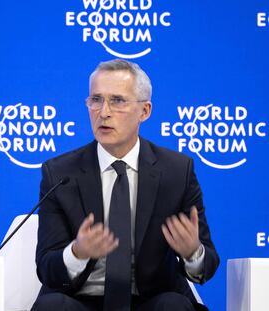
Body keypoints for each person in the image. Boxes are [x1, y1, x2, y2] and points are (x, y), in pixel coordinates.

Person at [32, 59, 219, 311]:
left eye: (117, 101)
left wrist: (192, 253)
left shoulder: (176, 171)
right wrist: (77, 252)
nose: (104, 112)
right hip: (80, 300)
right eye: (96, 100)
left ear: (145, 111)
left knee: (174, 307)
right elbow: (47, 268)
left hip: (150, 300)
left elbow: (206, 269)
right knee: (51, 307)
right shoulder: (60, 173)